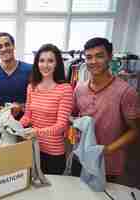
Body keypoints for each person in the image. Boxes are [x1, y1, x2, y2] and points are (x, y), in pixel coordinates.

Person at [72, 37, 140, 182]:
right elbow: (74, 117)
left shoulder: (126, 92)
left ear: (110, 57)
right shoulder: (80, 88)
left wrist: (108, 149)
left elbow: (135, 130)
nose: (93, 61)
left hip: (107, 162)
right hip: (81, 157)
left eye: (99, 56)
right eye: (89, 57)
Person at [20, 44, 73, 175]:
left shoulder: (65, 89)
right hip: (33, 148)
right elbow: (27, 116)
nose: (45, 65)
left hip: (53, 153)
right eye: (41, 60)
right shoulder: (31, 87)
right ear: (37, 63)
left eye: (50, 61)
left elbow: (61, 126)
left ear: (57, 64)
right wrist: (13, 125)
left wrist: (36, 132)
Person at [0, 32, 32, 108]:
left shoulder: (30, 70)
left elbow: (38, 99)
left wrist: (21, 106)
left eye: (7, 44)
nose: (4, 49)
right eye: (0, 46)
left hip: (25, 118)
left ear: (13, 46)